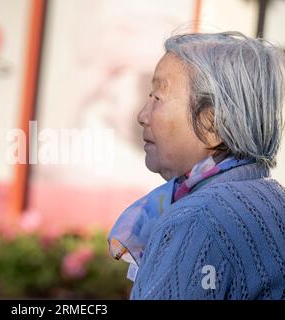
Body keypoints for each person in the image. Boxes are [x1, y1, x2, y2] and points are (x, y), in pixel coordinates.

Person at [108, 31, 285, 299]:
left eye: (158, 98)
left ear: (211, 122)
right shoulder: (273, 200)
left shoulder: (196, 219)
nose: (142, 115)